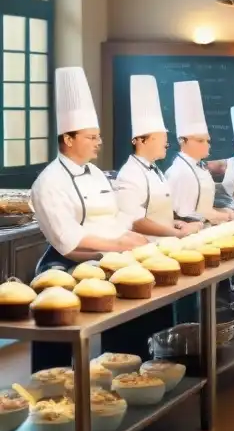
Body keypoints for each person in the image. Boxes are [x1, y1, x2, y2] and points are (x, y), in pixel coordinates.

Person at [29, 67, 148, 370]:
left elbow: (113, 215)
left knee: (127, 335)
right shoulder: (49, 182)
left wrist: (128, 236)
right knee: (57, 360)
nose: (99, 143)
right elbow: (68, 241)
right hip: (64, 268)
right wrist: (117, 244)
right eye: (92, 137)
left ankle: (124, 380)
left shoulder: (95, 172)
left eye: (99, 137)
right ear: (68, 139)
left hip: (107, 259)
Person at [115, 75, 203, 240]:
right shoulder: (130, 174)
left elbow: (160, 212)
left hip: (166, 243)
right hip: (145, 249)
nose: (166, 142)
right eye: (161, 136)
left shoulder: (155, 170)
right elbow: (135, 221)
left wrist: (176, 223)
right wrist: (175, 233)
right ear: (141, 140)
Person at [166, 81, 234, 224]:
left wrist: (227, 212)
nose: (207, 146)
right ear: (183, 141)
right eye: (200, 141)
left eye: (207, 141)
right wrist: (227, 216)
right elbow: (186, 216)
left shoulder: (200, 167)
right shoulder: (180, 172)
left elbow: (203, 206)